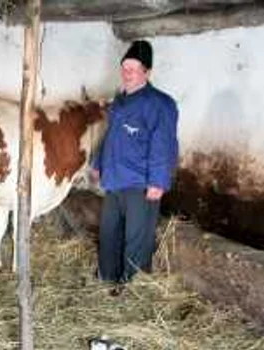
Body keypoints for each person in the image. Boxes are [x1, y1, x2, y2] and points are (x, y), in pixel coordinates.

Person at [92, 40, 179, 293]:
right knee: (109, 232)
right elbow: (110, 136)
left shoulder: (159, 103)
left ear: (147, 72)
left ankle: (132, 288)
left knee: (136, 238)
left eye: (133, 68)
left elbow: (164, 144)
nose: (127, 73)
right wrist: (99, 163)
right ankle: (107, 278)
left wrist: (158, 182)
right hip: (115, 179)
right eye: (124, 67)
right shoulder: (120, 101)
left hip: (141, 183)